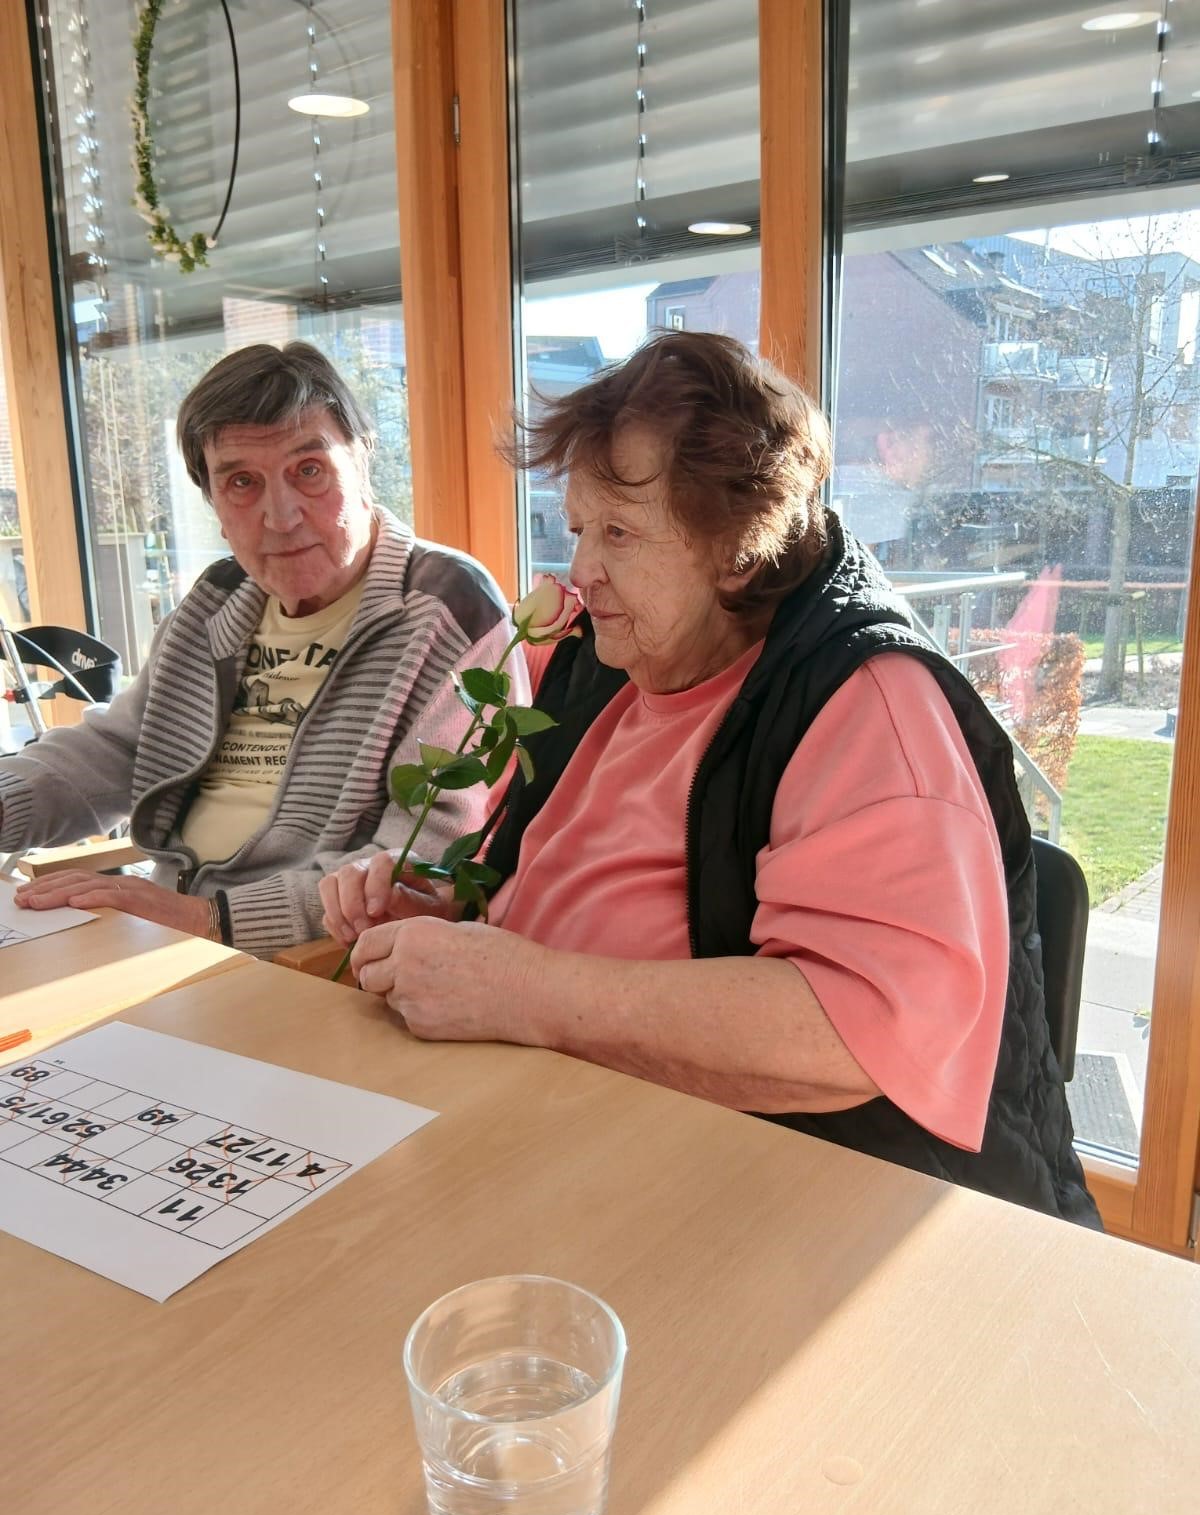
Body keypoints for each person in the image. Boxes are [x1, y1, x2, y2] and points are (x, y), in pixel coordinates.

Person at [320, 331, 1098, 1225]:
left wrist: (523, 991)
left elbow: (853, 1034)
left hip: (815, 1215)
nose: (580, 572)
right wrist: (447, 928)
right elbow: (558, 896)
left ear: (738, 549)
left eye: (620, 533)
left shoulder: (867, 704)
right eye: (578, 530)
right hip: (582, 1141)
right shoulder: (615, 656)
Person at [0, 341, 526, 957]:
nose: (281, 516)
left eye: (310, 470)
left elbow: (429, 860)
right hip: (166, 933)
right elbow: (116, 751)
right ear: (215, 505)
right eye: (242, 482)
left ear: (362, 463)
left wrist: (208, 919)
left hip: (306, 961)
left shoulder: (448, 607)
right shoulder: (218, 599)